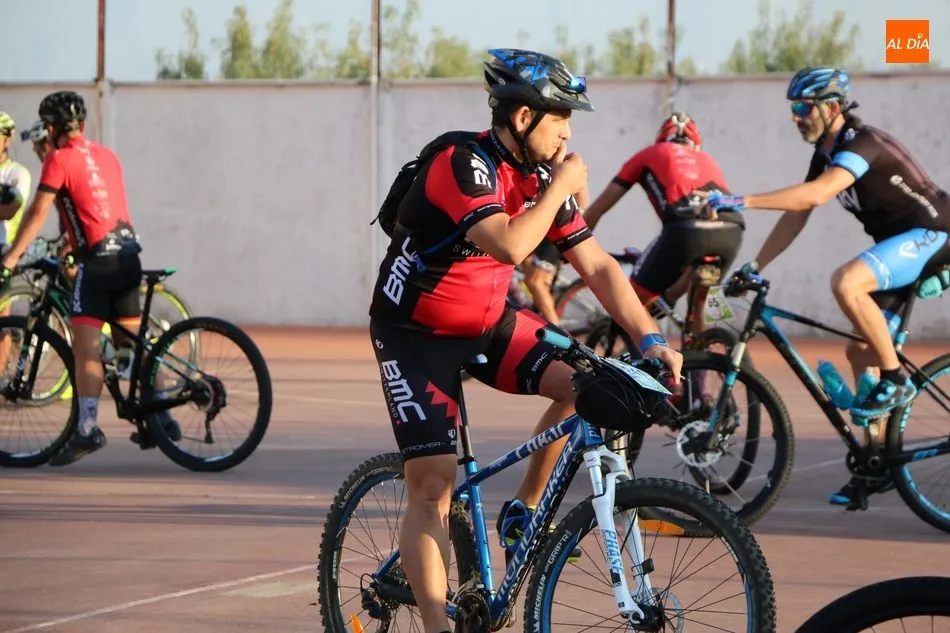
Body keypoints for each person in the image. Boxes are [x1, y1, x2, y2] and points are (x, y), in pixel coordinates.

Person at [367, 48, 683, 633]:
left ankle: (525, 510)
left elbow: (597, 265)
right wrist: (560, 185)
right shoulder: (462, 163)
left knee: (594, 383)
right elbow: (510, 244)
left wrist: (651, 338)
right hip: (415, 335)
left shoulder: (540, 178)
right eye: (561, 119)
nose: (568, 134)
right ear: (522, 117)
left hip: (489, 321)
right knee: (433, 485)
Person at [700, 66, 950, 506]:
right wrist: (756, 264)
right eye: (793, 109)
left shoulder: (862, 143)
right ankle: (877, 462)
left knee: (847, 282)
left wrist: (742, 200)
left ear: (832, 107)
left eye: (803, 108)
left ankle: (897, 379)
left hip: (933, 233)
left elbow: (816, 195)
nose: (795, 117)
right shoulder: (826, 152)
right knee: (859, 351)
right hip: (901, 245)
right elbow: (797, 214)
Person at [0, 91, 181, 466]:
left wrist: (12, 257)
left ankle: (86, 430)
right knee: (132, 345)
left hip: (97, 266)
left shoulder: (58, 159)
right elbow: (98, 208)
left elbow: (37, 213)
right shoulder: (107, 156)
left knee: (87, 351)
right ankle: (162, 416)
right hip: (128, 259)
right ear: (82, 125)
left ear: (51, 128)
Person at [584, 112, 745, 337]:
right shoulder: (707, 159)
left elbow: (597, 209)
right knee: (700, 300)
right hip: (731, 229)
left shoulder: (650, 153)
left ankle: (657, 355)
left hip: (686, 230)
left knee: (633, 301)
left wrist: (566, 250)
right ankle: (703, 353)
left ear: (661, 138)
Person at [0, 112, 32, 373]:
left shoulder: (17, 173)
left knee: (1, 316)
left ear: (8, 139)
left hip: (5, 248)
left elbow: (11, 209)